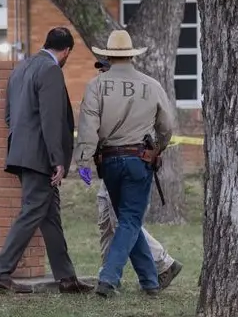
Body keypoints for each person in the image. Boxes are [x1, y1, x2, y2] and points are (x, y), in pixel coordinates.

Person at [0, 27, 93, 294]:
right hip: (41, 157)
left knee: (50, 215)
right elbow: (52, 119)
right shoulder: (51, 70)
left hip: (21, 152)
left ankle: (66, 278)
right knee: (32, 211)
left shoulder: (21, 69)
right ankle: (0, 273)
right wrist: (58, 160)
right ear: (66, 51)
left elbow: (9, 117)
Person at [74, 30, 175, 298]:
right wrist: (159, 148)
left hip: (108, 161)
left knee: (126, 219)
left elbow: (87, 128)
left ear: (107, 55)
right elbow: (166, 127)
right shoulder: (151, 85)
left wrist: (83, 162)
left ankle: (150, 282)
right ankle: (108, 278)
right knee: (130, 219)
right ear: (131, 55)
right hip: (138, 160)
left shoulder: (96, 85)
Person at [92, 57, 183, 289]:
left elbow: (164, 126)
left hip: (125, 159)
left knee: (125, 221)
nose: (102, 71)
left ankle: (112, 275)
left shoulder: (137, 89)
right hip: (115, 160)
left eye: (106, 67)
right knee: (115, 219)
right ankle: (150, 278)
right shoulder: (106, 88)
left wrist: (157, 149)